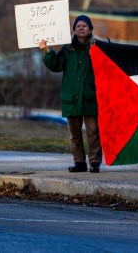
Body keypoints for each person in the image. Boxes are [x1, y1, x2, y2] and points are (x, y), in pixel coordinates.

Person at [39, 14, 102, 173]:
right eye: (78, 26)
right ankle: (79, 162)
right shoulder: (67, 50)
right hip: (71, 99)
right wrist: (47, 50)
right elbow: (56, 65)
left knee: (93, 132)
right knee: (74, 134)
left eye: (84, 25)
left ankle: (94, 162)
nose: (81, 28)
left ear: (90, 29)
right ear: (74, 30)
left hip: (90, 98)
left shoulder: (96, 50)